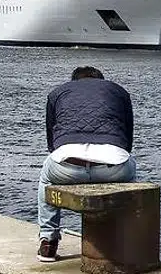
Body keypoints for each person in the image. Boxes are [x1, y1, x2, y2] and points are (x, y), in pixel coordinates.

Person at [37, 66, 135, 262]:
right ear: (101, 80)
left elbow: (51, 139)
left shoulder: (57, 93)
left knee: (46, 179)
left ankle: (48, 241)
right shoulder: (118, 91)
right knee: (131, 177)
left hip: (68, 165)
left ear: (74, 81)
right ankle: (127, 240)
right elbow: (128, 136)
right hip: (112, 166)